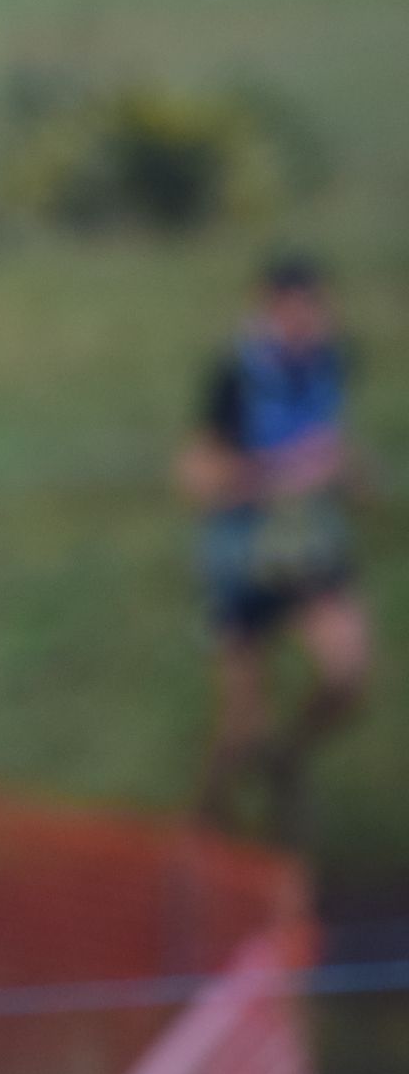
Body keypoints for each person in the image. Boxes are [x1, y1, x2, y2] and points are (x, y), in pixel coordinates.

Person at [178, 254, 372, 842]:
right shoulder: (234, 375)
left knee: (348, 674)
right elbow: (196, 477)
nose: (306, 323)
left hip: (308, 548)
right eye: (293, 312)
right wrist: (287, 473)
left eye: (315, 309)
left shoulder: (333, 360)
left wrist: (351, 474)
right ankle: (204, 827)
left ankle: (288, 758)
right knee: (240, 727)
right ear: (268, 309)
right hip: (241, 556)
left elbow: (331, 444)